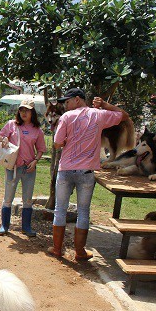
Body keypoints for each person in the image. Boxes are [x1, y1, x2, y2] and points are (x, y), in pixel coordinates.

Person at [48, 88, 127, 260]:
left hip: (66, 170)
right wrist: (105, 105)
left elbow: (56, 144)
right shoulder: (99, 114)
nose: (66, 105)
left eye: (67, 101)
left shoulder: (66, 117)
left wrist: (66, 141)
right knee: (83, 211)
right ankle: (80, 252)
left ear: (77, 99)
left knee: (59, 210)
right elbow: (124, 116)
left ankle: (56, 249)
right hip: (86, 172)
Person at [0, 99, 46, 237]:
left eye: (27, 110)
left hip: (29, 168)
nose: (24, 113)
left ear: (32, 112)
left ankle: (26, 227)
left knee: (27, 199)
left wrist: (35, 161)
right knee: (8, 197)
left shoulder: (37, 130)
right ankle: (5, 226)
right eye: (22, 110)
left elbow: (41, 149)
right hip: (12, 167)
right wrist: (3, 139)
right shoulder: (12, 125)